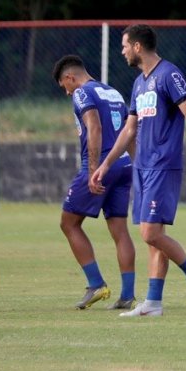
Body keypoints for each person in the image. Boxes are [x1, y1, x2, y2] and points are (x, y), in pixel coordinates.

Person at [91, 24, 186, 318]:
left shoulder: (168, 74)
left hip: (163, 164)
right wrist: (106, 164)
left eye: (124, 45)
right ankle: (153, 302)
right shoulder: (138, 83)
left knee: (149, 233)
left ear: (137, 46)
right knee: (153, 234)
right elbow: (129, 129)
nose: (121, 51)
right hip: (142, 166)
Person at [52, 55, 139, 310]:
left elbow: (95, 128)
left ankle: (96, 283)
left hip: (101, 164)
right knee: (119, 230)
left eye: (64, 86)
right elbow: (130, 131)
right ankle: (128, 296)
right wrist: (137, 166)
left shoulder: (82, 92)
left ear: (70, 78)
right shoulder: (112, 92)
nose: (67, 93)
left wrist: (93, 171)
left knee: (68, 223)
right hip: (124, 165)